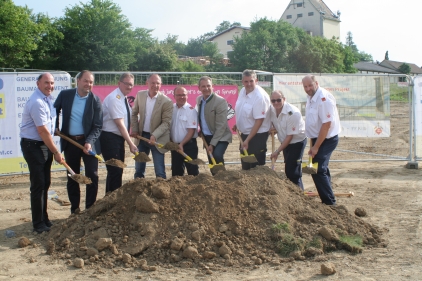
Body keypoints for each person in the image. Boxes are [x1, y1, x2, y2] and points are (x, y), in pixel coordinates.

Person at [20, 73, 64, 233]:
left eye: (52, 83)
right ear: (38, 83)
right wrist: (56, 152)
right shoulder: (37, 102)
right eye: (46, 83)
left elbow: (49, 127)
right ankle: (38, 224)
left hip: (43, 145)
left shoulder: (47, 100)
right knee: (38, 184)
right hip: (33, 146)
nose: (50, 86)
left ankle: (44, 218)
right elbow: (42, 131)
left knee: (45, 183)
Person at [54, 70, 102, 214]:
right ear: (78, 81)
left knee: (92, 175)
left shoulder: (95, 100)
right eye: (86, 81)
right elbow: (54, 110)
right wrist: (55, 126)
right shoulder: (65, 95)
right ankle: (75, 209)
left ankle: (90, 208)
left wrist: (88, 142)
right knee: (73, 176)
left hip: (88, 143)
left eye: (91, 82)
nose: (89, 84)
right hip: (70, 142)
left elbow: (98, 126)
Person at [302, 75, 341, 205]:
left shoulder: (324, 98)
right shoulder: (311, 97)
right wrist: (312, 144)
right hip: (316, 138)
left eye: (310, 85)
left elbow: (326, 125)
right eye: (305, 86)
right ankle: (328, 196)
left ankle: (329, 202)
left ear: (316, 83)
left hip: (327, 139)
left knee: (317, 169)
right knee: (321, 168)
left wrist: (316, 147)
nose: (308, 89)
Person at [100, 72, 138, 193]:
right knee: (115, 171)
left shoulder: (123, 98)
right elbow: (120, 124)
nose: (129, 87)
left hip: (117, 138)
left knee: (116, 171)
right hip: (110, 138)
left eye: (131, 84)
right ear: (119, 83)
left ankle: (110, 198)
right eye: (126, 84)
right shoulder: (114, 98)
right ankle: (112, 201)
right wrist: (131, 143)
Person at [131, 74, 173, 179]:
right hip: (141, 137)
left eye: (158, 83)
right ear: (147, 83)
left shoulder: (166, 101)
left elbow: (166, 122)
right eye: (153, 83)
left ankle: (161, 191)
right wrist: (135, 129)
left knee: (160, 171)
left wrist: (154, 135)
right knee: (139, 170)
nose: (155, 85)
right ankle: (138, 191)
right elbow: (134, 113)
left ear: (161, 85)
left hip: (157, 138)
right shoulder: (140, 95)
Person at [232, 69, 271, 170]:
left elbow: (259, 121)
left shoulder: (260, 97)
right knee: (245, 167)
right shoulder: (242, 91)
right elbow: (242, 110)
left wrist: (248, 140)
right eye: (246, 81)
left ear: (256, 80)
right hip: (245, 136)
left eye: (251, 81)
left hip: (257, 137)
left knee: (256, 169)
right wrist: (239, 124)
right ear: (242, 82)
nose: (249, 84)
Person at [269, 90, 307, 190]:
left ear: (284, 99)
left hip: (297, 142)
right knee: (289, 167)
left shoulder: (293, 113)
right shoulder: (271, 110)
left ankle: (299, 194)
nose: (276, 103)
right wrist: (272, 128)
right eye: (273, 101)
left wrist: (277, 152)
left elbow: (290, 136)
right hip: (284, 141)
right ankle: (294, 193)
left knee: (292, 171)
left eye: (278, 100)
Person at [196, 76, 232, 175]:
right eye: (203, 86)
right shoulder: (199, 100)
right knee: (212, 161)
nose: (206, 88)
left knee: (217, 155)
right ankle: (216, 182)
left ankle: (223, 178)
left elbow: (221, 126)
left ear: (213, 86)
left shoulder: (220, 101)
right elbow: (202, 117)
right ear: (199, 88)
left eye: (208, 86)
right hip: (206, 136)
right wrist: (201, 130)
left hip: (221, 136)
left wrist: (212, 144)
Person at [170, 86, 199, 176]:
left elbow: (191, 131)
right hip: (175, 147)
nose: (181, 97)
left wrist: (181, 144)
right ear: (174, 96)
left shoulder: (191, 111)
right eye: (178, 95)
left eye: (183, 95)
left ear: (187, 96)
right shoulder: (171, 109)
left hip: (189, 146)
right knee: (176, 173)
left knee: (192, 171)